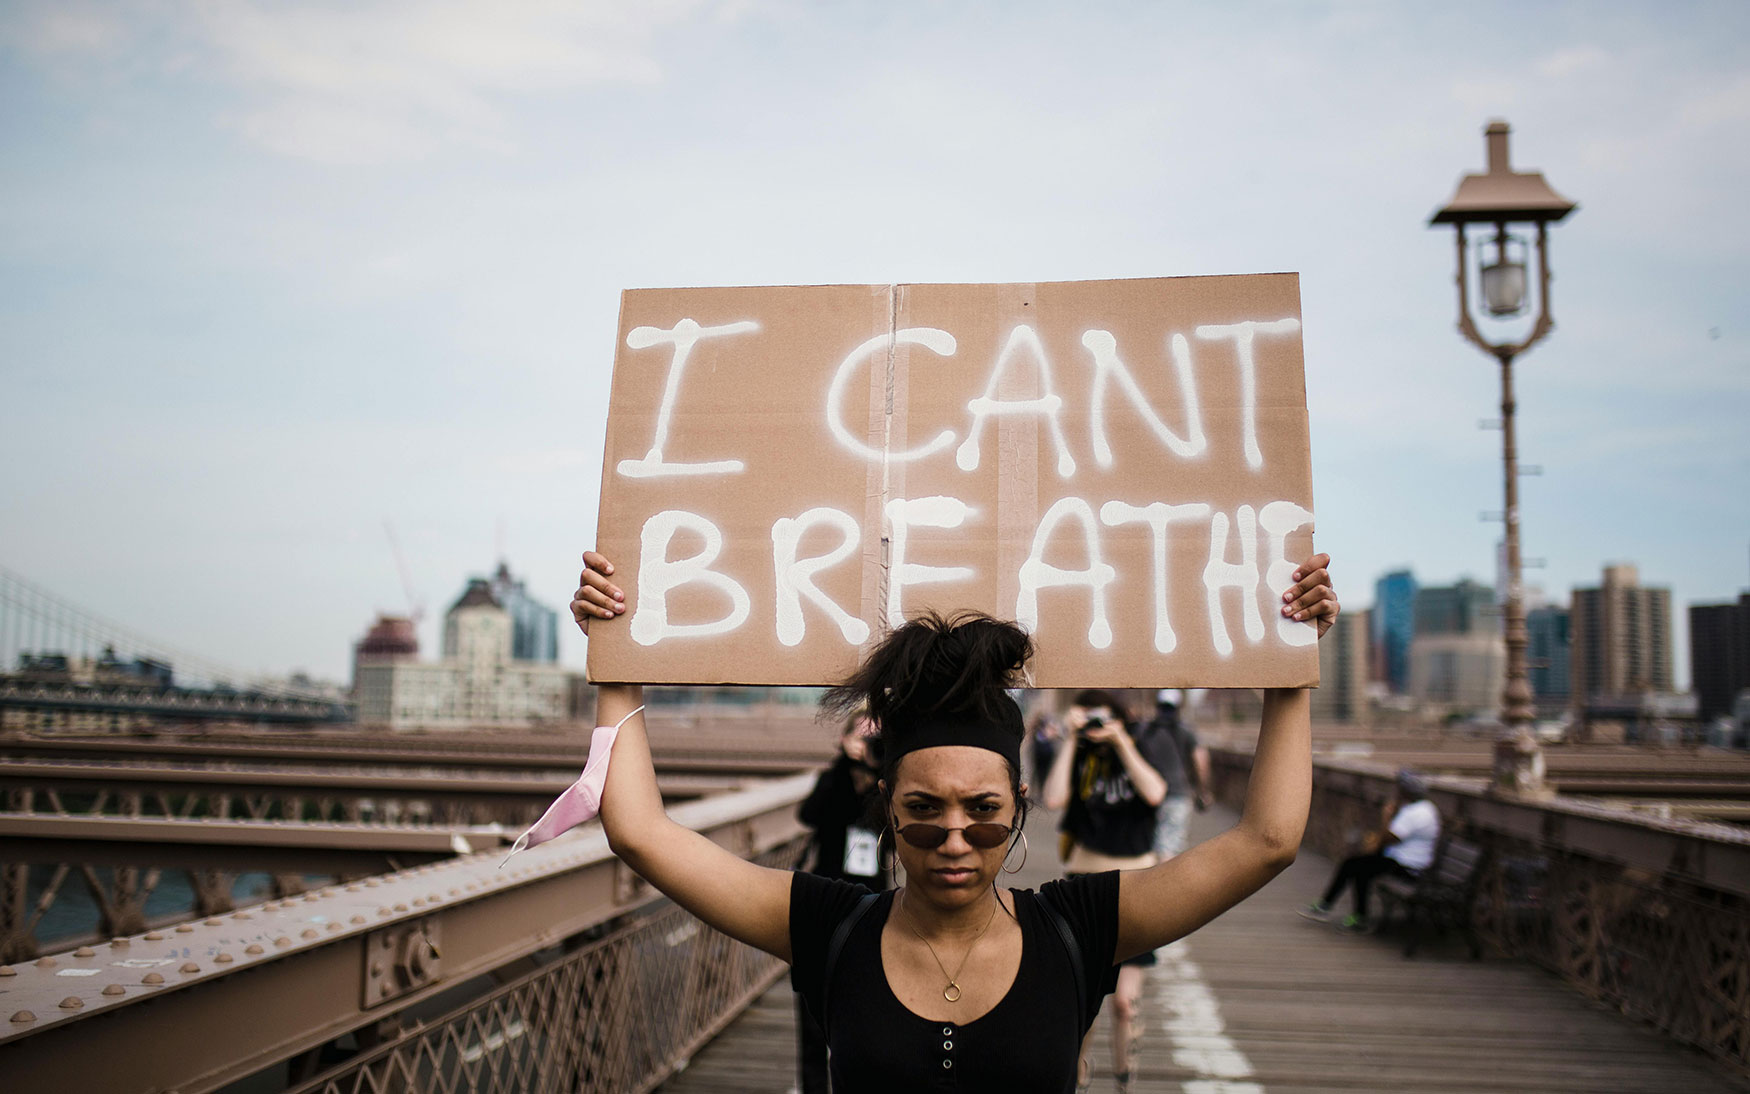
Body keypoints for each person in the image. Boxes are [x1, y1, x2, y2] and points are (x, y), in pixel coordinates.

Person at [570, 548, 1337, 1093]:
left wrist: (1290, 668)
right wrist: (616, 654)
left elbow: (1266, 841)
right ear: (888, 813)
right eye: (923, 812)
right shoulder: (828, 926)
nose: (956, 840)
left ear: (1021, 809)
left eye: (985, 812)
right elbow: (640, 832)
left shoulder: (1078, 928)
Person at [1041, 689, 1173, 1092]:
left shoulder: (1145, 742)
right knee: (1085, 1004)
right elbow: (1053, 799)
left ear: (1119, 716)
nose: (1095, 725)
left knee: (1123, 1003)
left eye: (1101, 717)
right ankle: (1078, 1078)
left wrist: (1120, 742)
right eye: (1087, 717)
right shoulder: (1076, 752)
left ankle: (1123, 1079)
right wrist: (1070, 741)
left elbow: (1154, 793)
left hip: (1136, 885)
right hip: (1084, 884)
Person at [794, 715, 888, 1092]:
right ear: (845, 738)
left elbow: (896, 834)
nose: (868, 743)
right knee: (812, 1009)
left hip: (871, 906)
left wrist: (878, 775)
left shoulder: (887, 787)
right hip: (823, 902)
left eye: (876, 737)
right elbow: (809, 814)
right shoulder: (833, 778)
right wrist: (843, 765)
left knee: (862, 1005)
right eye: (860, 736)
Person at [1299, 769, 1440, 932]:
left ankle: (1350, 914)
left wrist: (1386, 815)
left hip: (1408, 867)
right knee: (1354, 864)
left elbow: (1388, 839)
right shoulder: (1425, 808)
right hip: (1402, 860)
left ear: (1406, 791)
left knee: (1357, 868)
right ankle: (1335, 908)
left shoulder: (1416, 813)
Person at [1144, 689, 1213, 862]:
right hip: (1178, 793)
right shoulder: (1186, 731)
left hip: (1148, 795)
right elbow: (1201, 761)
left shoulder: (1146, 731)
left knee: (1151, 844)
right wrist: (1202, 790)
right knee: (1170, 845)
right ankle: (1166, 886)